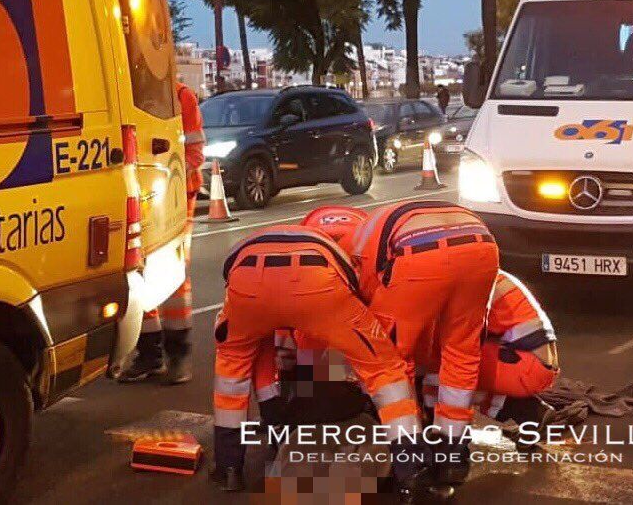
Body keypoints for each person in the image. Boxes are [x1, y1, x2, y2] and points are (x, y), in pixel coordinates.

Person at [211, 223, 422, 492]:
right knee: (384, 370)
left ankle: (229, 468)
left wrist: (274, 414)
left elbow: (233, 282)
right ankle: (411, 470)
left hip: (247, 279)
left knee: (232, 373)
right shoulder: (350, 244)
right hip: (318, 280)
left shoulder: (280, 234)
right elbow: (357, 291)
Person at [344, 201, 499, 485]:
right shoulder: (377, 221)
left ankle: (410, 461)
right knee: (462, 350)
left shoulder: (356, 246)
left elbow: (367, 293)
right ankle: (453, 453)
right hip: (482, 245)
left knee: (388, 361)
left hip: (419, 254)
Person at [118, 78, 203, 384]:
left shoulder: (182, 96)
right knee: (139, 274)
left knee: (173, 274)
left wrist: (170, 185)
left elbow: (194, 153)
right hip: (141, 197)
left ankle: (178, 353)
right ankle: (150, 353)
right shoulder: (126, 94)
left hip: (175, 198)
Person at [422, 270, 559, 424]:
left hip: (526, 365)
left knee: (439, 364)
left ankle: (436, 430)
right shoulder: (480, 270)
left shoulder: (465, 282)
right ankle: (529, 412)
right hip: (532, 362)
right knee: (444, 358)